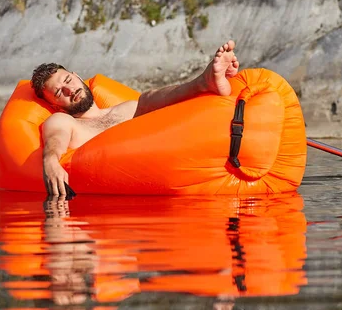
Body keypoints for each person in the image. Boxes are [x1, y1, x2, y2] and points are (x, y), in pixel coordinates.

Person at [31, 40, 239, 197]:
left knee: (145, 100)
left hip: (172, 178)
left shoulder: (129, 108)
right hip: (117, 216)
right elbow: (55, 140)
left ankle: (203, 83)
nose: (69, 89)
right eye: (59, 92)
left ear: (77, 76)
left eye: (68, 80)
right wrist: (50, 160)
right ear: (54, 105)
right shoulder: (64, 122)